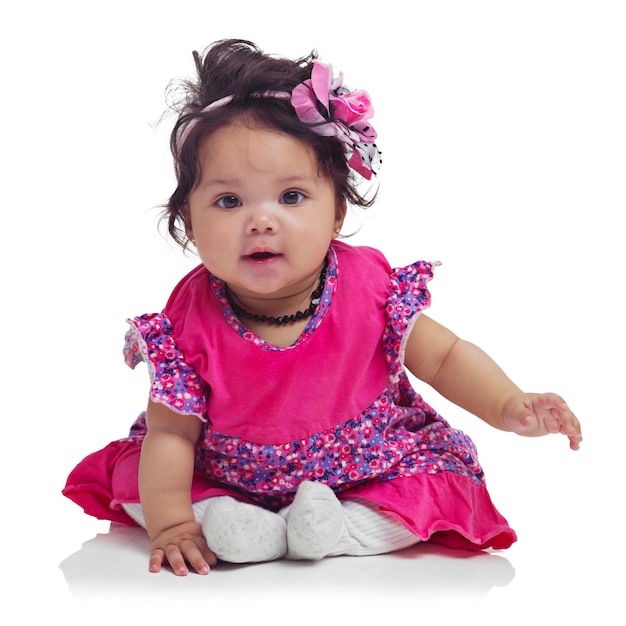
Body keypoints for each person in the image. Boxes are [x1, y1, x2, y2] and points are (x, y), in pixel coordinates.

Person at [63, 38, 582, 577]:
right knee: (144, 488)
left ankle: (342, 529)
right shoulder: (188, 321)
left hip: (367, 465)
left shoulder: (367, 288)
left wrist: (509, 404)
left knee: (427, 489)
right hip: (228, 472)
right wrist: (171, 524)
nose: (261, 221)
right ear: (190, 226)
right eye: (228, 201)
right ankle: (230, 525)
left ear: (337, 213)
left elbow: (445, 357)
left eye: (291, 197)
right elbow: (172, 434)